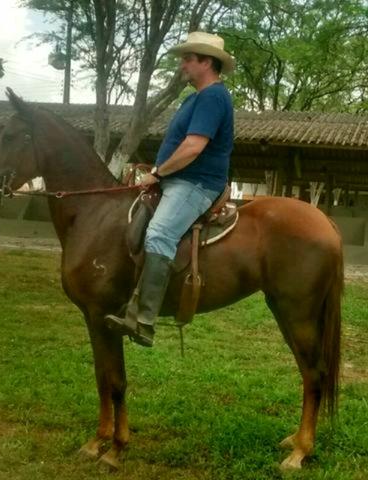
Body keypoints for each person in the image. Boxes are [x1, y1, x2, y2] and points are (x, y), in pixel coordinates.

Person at [106, 31, 235, 347]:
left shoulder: (214, 97)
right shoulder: (193, 98)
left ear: (207, 62)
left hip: (196, 184)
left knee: (160, 233)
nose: (182, 65)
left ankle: (145, 320)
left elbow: (193, 147)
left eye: (188, 59)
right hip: (175, 180)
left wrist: (157, 173)